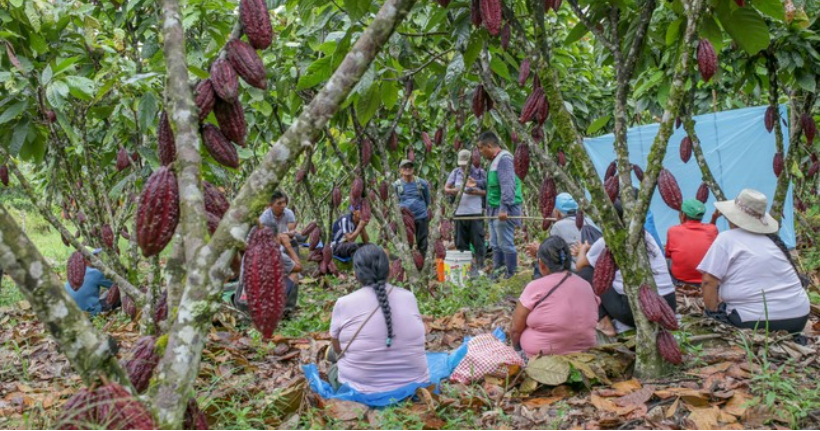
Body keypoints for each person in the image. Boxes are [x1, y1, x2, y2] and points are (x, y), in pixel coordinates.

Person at [698, 189, 809, 335]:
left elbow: (708, 281)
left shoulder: (727, 238)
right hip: (799, 318)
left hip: (753, 320)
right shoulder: (773, 241)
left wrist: (712, 314)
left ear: (733, 217)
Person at [328, 244, 429, 393]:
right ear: (389, 271)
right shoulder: (409, 297)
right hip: (415, 384)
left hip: (360, 388)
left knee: (332, 366)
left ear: (356, 274)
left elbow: (337, 348)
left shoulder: (344, 303)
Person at [575, 199, 676, 336]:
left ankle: (605, 323)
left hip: (635, 311)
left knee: (586, 273)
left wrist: (582, 249)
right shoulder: (645, 236)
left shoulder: (608, 239)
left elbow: (580, 265)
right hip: (669, 306)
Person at [511, 237, 599, 358]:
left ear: (541, 264)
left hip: (541, 359)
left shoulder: (535, 287)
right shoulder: (586, 285)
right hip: (585, 354)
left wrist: (516, 350)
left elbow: (515, 329)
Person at [476, 132, 523, 278]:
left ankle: (511, 274)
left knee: (505, 242)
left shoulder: (504, 159)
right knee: (495, 243)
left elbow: (508, 185)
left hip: (503, 209)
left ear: (489, 146)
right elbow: (492, 184)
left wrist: (504, 208)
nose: (481, 152)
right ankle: (498, 272)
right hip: (493, 208)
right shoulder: (494, 161)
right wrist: (476, 184)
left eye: (481, 148)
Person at [236, 223, 302, 315]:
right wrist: (288, 246)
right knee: (294, 274)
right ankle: (287, 310)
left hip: (242, 303)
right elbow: (299, 267)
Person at [445, 149, 487, 271]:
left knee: (478, 241)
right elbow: (446, 188)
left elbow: (487, 192)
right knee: (461, 242)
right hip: (460, 213)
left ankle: (480, 266)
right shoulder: (455, 172)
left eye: (465, 164)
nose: (463, 167)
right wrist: (456, 190)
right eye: (461, 165)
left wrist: (475, 191)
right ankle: (466, 267)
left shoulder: (480, 173)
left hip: (475, 213)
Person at [665, 199, 719, 287]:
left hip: (681, 281)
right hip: (707, 279)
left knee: (667, 260)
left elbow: (668, 255)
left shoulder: (673, 230)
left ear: (683, 215)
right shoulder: (712, 229)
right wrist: (714, 219)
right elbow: (710, 233)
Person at [393, 159, 431, 255]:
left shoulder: (422, 183)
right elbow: (394, 202)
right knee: (407, 242)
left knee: (422, 242)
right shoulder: (396, 185)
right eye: (405, 167)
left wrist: (421, 209)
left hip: (421, 216)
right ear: (400, 170)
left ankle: (422, 263)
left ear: (413, 169)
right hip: (405, 218)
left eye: (410, 167)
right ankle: (409, 264)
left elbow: (427, 199)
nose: (408, 169)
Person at [64, 248, 115, 316]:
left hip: (73, 314)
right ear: (87, 259)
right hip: (91, 312)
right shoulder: (95, 273)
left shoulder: (74, 274)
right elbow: (116, 285)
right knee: (116, 291)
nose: (98, 258)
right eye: (95, 256)